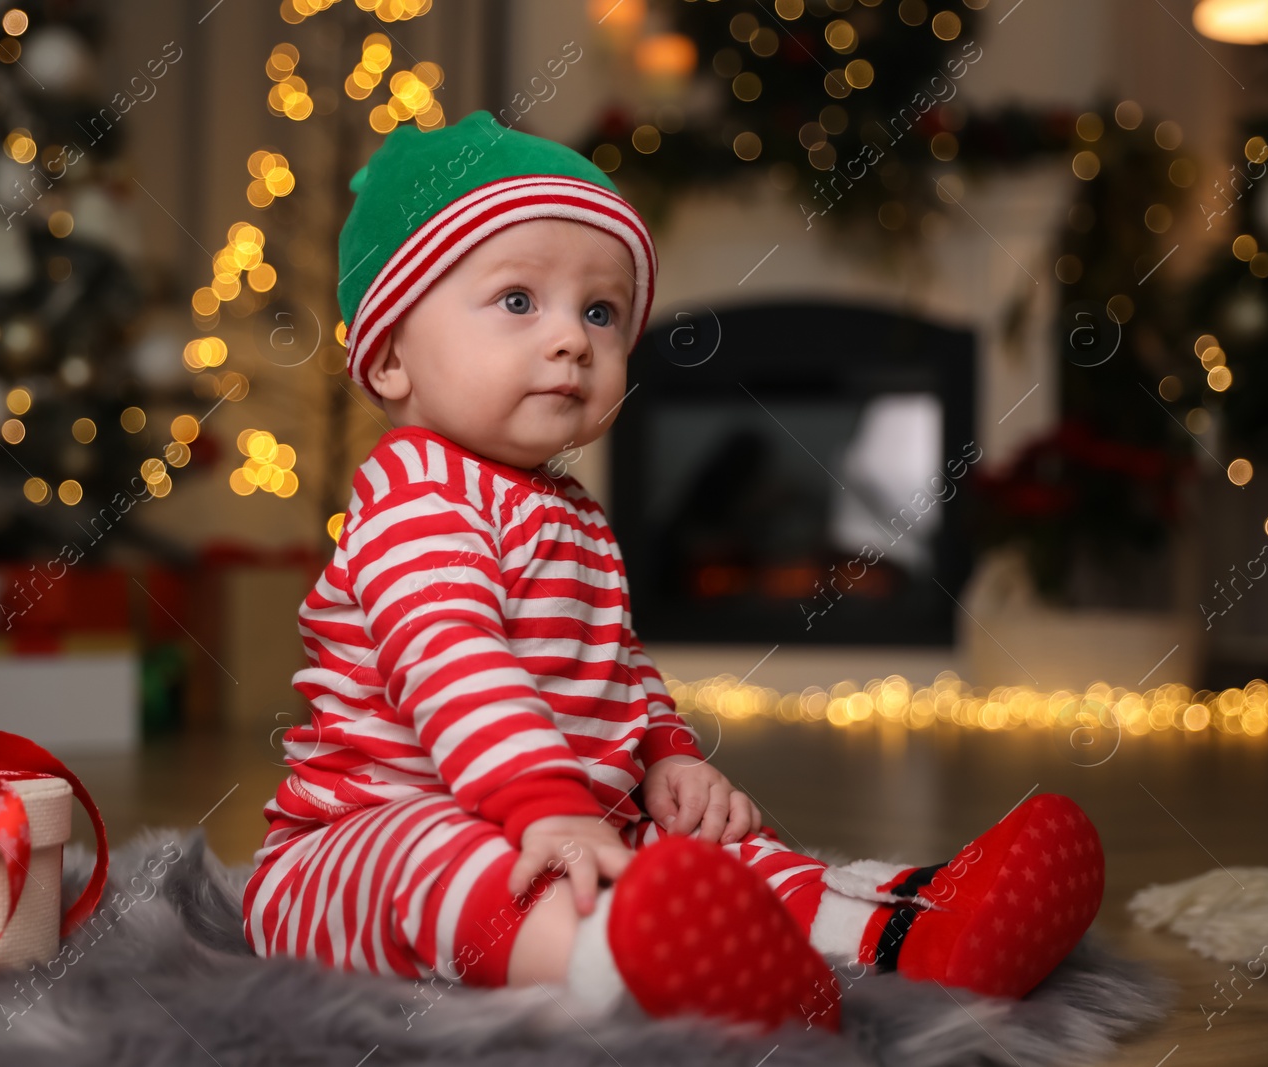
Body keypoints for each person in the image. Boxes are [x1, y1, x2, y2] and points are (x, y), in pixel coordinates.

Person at [241, 110, 1104, 1032]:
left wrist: (667, 755)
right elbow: (452, 663)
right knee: (432, 860)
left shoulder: (569, 510)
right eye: (520, 301)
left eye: (600, 311)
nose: (572, 338)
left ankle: (916, 927)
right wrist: (545, 805)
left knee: (713, 850)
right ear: (387, 357)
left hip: (567, 822)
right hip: (358, 846)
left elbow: (615, 669)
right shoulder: (416, 495)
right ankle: (616, 961)